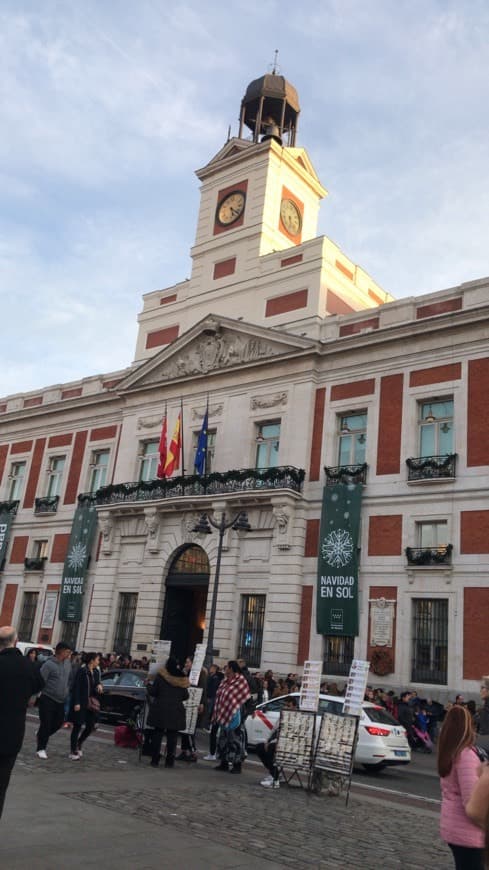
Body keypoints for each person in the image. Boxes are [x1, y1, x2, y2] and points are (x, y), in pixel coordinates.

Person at [0, 626, 44, 818]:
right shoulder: (28, 666)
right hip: (12, 732)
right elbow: (39, 685)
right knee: (1, 784)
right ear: (16, 641)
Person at [438, 704, 485, 869]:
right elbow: (472, 801)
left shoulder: (450, 752)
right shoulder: (466, 756)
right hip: (468, 831)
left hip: (455, 826)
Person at [146, 656, 189, 767]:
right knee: (172, 737)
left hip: (161, 710)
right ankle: (170, 762)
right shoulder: (182, 678)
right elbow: (186, 696)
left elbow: (154, 692)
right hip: (175, 711)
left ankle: (155, 760)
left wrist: (147, 685)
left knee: (158, 735)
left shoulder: (161, 677)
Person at [36, 641, 72, 759]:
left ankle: (41, 734)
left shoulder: (68, 664)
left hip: (61, 700)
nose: (69, 654)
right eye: (67, 652)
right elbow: (40, 681)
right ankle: (41, 748)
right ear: (61, 651)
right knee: (46, 723)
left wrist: (67, 690)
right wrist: (34, 696)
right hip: (47, 698)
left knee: (58, 723)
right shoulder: (48, 665)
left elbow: (69, 679)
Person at [212, 660, 250, 774]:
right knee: (223, 739)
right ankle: (224, 762)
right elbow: (220, 693)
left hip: (235, 715)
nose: (225, 668)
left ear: (232, 668)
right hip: (224, 713)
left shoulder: (240, 680)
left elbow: (243, 696)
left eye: (227, 667)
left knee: (235, 740)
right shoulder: (225, 680)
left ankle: (237, 764)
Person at [257, 696, 298, 789]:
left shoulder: (295, 718)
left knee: (271, 749)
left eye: (289, 706)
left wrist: (272, 742)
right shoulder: (282, 716)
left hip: (287, 744)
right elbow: (273, 730)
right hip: (276, 741)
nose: (286, 707)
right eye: (285, 705)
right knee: (259, 747)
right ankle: (274, 773)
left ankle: (275, 778)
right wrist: (267, 741)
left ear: (294, 707)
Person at [68, 652, 103, 760]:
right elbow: (76, 687)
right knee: (77, 726)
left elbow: (97, 683)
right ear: (91, 660)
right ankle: (73, 750)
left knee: (90, 726)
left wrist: (99, 685)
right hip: (81, 702)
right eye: (97, 659)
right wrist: (77, 702)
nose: (99, 662)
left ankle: (79, 742)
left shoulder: (96, 672)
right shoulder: (82, 671)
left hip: (91, 704)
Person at [203, 663, 224, 762]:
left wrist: (210, 696)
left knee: (216, 733)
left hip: (218, 708)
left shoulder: (216, 678)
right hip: (219, 709)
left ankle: (213, 753)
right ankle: (215, 753)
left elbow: (213, 689)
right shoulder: (217, 678)